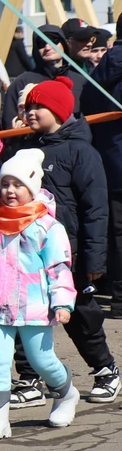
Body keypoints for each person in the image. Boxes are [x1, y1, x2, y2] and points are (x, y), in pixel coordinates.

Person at [6, 77, 119, 407]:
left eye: (38, 107)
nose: (30, 112)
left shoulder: (81, 151)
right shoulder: (25, 148)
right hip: (29, 251)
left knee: (81, 314)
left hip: (70, 253)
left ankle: (106, 370)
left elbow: (95, 209)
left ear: (57, 110)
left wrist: (95, 260)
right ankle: (30, 378)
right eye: (27, 107)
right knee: (26, 313)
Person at [0, 149, 80, 439]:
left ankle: (66, 393)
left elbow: (59, 268)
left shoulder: (48, 226)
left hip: (36, 306)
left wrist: (63, 303)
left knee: (40, 360)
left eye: (18, 184)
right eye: (5, 183)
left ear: (32, 188)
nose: (10, 190)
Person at [81, 26, 122, 320]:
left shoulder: (99, 70)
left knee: (118, 234)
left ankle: (119, 299)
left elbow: (87, 108)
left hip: (110, 161)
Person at [1, 25, 87, 129]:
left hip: (76, 140)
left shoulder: (81, 81)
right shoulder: (22, 83)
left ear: (64, 44)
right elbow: (9, 126)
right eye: (41, 43)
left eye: (54, 41)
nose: (48, 47)